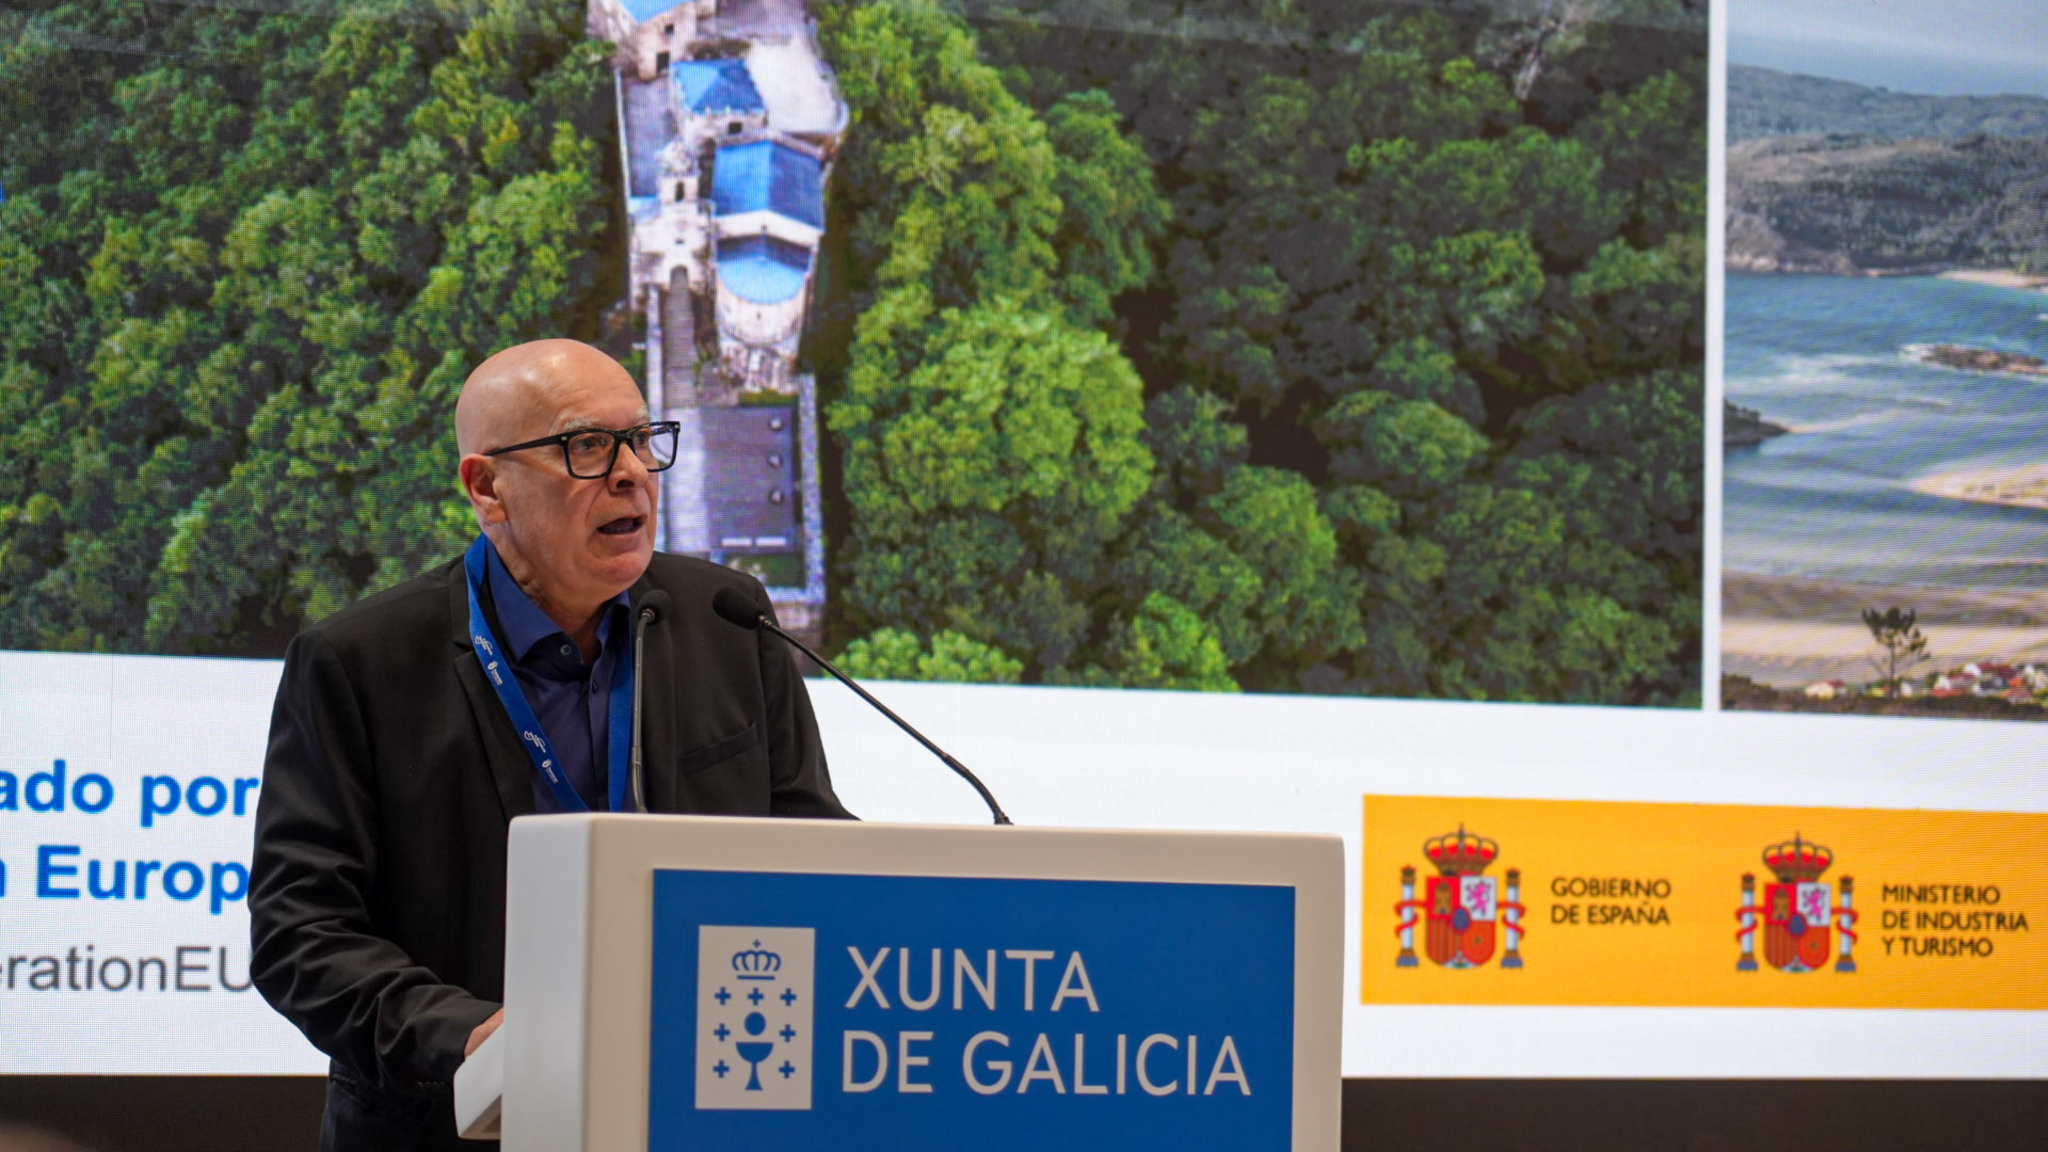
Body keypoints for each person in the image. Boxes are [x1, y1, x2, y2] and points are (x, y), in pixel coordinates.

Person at [248, 339, 849, 1151]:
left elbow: (810, 848)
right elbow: (301, 931)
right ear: (487, 487)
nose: (631, 472)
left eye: (642, 439)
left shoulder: (728, 620)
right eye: (588, 446)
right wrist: (469, 1036)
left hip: (697, 1105)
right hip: (450, 1126)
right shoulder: (360, 663)